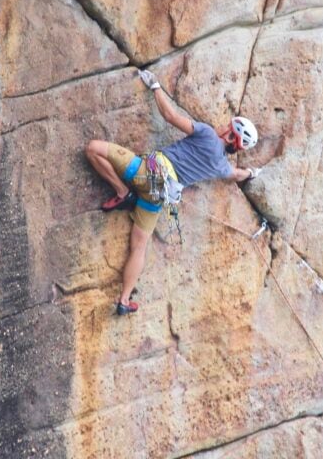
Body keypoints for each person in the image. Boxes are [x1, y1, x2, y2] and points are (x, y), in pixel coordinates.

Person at [84, 69, 262, 316]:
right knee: (139, 246)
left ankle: (122, 191)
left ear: (231, 133)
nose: (224, 125)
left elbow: (169, 115)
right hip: (157, 197)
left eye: (229, 125)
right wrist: (252, 173)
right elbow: (237, 174)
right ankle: (124, 299)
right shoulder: (221, 166)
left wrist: (155, 86)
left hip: (145, 172)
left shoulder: (208, 134)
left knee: (94, 148)